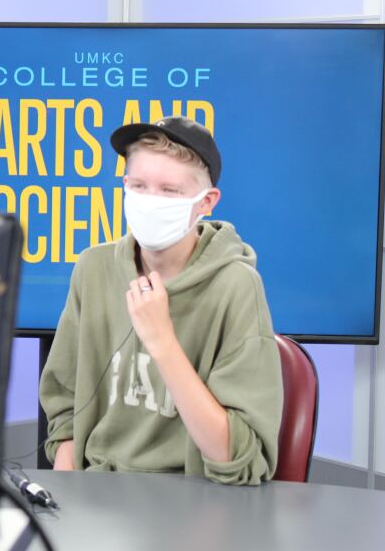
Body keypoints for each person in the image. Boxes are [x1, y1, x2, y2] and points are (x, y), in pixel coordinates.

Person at [39, 116, 283, 486]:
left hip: (195, 499)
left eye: (170, 191)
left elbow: (237, 458)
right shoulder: (93, 268)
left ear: (207, 203)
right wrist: (71, 493)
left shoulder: (237, 286)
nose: (150, 201)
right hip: (97, 497)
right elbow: (64, 409)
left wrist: (162, 341)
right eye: (139, 186)